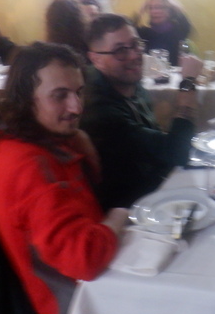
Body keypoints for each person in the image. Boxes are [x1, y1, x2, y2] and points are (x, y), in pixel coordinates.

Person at [0, 42, 127, 314]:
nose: (76, 107)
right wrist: (119, 218)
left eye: (79, 92)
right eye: (60, 96)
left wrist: (78, 140)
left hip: (89, 287)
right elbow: (84, 259)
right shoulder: (28, 166)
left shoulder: (15, 141)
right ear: (25, 99)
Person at [81, 14, 203, 209]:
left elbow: (162, 147)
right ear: (96, 59)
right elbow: (175, 152)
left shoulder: (126, 81)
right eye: (120, 50)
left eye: (135, 44)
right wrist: (188, 83)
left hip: (156, 184)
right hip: (132, 208)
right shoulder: (98, 110)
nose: (134, 56)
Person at [135, 0, 193, 66]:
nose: (154, 11)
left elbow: (186, 25)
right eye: (151, 8)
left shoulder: (178, 30)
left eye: (159, 7)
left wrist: (171, 3)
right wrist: (140, 13)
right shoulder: (145, 33)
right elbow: (130, 31)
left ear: (170, 10)